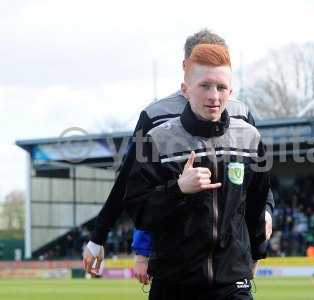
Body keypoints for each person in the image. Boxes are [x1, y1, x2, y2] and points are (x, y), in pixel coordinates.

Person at [82, 30, 275, 279]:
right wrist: (99, 236)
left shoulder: (240, 113)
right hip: (175, 255)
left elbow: (256, 176)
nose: (213, 93)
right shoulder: (155, 116)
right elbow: (128, 182)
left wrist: (266, 212)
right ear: (186, 66)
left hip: (228, 263)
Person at [124, 44, 272, 300]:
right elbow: (138, 211)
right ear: (185, 90)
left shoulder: (250, 139)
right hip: (173, 283)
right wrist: (178, 189)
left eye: (221, 87)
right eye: (205, 86)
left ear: (231, 91)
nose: (214, 96)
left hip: (231, 282)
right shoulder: (156, 141)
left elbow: (257, 206)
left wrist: (257, 254)